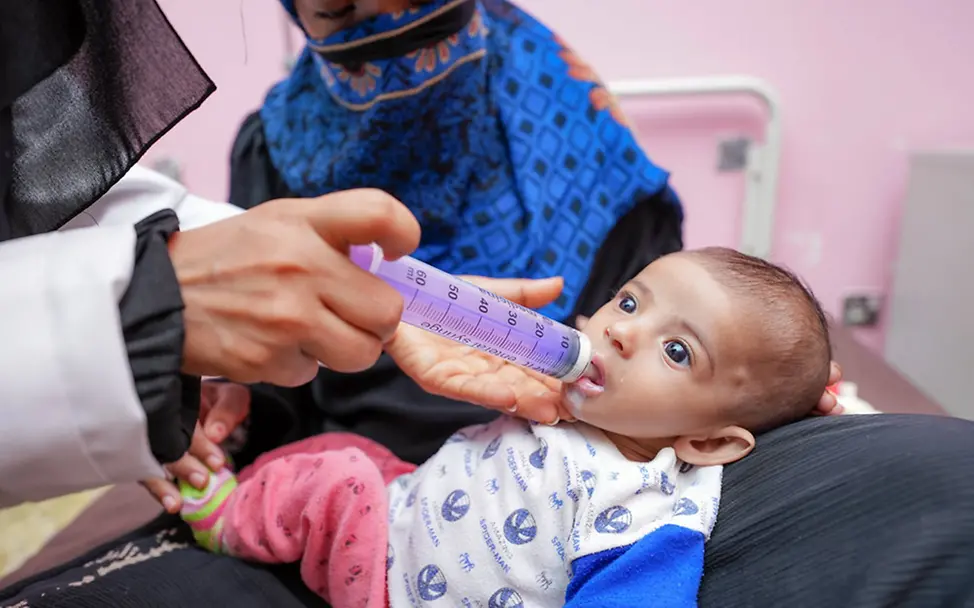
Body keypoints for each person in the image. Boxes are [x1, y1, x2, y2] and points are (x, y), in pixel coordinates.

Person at [0, 0, 560, 509]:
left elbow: (54, 190)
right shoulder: (271, 149)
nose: (392, 40)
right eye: (339, 10)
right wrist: (181, 359)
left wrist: (150, 313)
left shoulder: (560, 119)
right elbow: (269, 376)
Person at [175, 247, 831, 607]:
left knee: (340, 478)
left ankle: (226, 518)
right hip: (404, 510)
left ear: (710, 442)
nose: (622, 331)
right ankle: (258, 486)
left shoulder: (647, 507)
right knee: (355, 452)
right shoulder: (563, 393)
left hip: (390, 588)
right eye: (630, 301)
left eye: (678, 351)